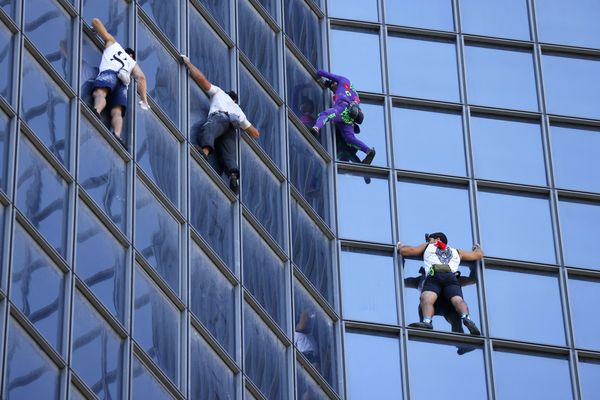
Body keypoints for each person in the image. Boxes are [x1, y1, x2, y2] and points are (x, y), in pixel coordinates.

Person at [180, 55, 260, 194]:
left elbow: (201, 79)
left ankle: (204, 153)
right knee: (228, 154)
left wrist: (188, 63)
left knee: (209, 129)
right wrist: (244, 130)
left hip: (220, 117)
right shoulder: (239, 111)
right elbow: (255, 133)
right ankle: (233, 176)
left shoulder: (219, 93)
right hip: (233, 126)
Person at [398, 232, 483, 335]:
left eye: (429, 239)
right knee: (458, 301)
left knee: (426, 299)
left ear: (437, 239)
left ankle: (427, 322)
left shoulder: (428, 246)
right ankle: (466, 318)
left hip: (435, 275)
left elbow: (407, 251)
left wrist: (400, 246)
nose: (428, 242)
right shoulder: (457, 252)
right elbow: (477, 255)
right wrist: (477, 248)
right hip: (451, 276)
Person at [90, 17, 149, 147]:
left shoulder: (114, 44)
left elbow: (96, 21)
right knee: (117, 112)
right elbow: (141, 78)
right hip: (123, 84)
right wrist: (144, 99)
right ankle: (117, 135)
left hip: (110, 73)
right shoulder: (132, 63)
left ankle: (96, 110)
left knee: (100, 93)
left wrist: (95, 29)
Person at [311, 70, 375, 165]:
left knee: (325, 114)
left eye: (333, 86)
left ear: (335, 82)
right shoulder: (354, 94)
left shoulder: (342, 80)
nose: (333, 89)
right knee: (349, 138)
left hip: (342, 108)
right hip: (349, 117)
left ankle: (316, 128)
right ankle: (368, 151)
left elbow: (322, 73)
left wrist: (317, 75)